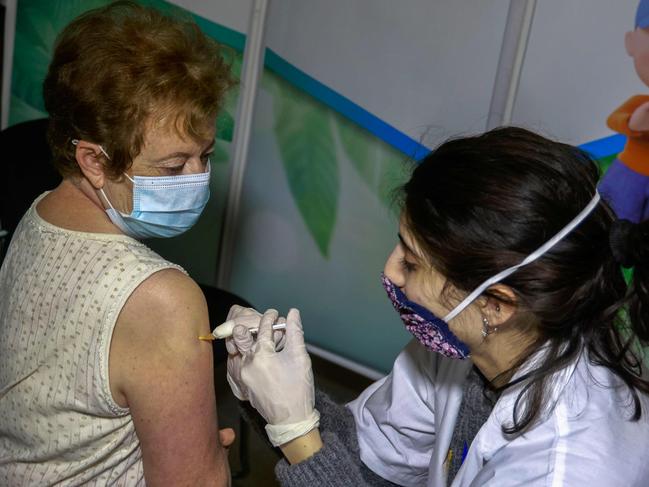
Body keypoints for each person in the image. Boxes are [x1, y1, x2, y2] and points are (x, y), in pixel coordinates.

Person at [223, 127, 649, 486]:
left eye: (411, 262)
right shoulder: (468, 344)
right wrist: (279, 400)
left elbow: (321, 457)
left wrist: (297, 432)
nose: (391, 272)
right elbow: (368, 460)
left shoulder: (565, 469)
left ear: (497, 305)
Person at [0, 2, 234, 485]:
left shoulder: (40, 214)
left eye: (206, 156)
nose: (198, 179)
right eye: (173, 167)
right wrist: (210, 460)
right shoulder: (162, 298)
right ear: (92, 160)